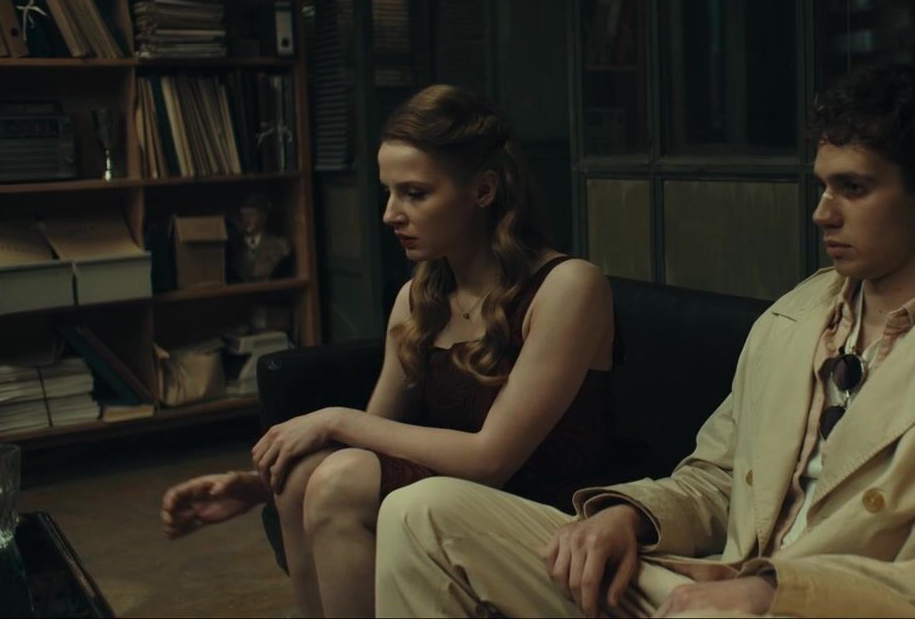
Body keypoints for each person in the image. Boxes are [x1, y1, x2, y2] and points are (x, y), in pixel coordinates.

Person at [373, 63, 915, 617]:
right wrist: (628, 515)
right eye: (822, 186)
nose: (822, 213)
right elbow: (716, 479)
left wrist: (776, 592)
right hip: (707, 588)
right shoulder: (798, 315)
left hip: (819, 607)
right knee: (424, 512)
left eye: (853, 189)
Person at [160, 84, 617, 618]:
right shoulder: (419, 298)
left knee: (339, 479)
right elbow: (373, 437)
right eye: (389, 193)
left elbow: (490, 459)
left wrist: (333, 418)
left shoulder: (569, 287)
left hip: (550, 517)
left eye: (415, 194)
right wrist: (256, 488)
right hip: (447, 502)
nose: (390, 214)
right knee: (305, 476)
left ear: (484, 190)